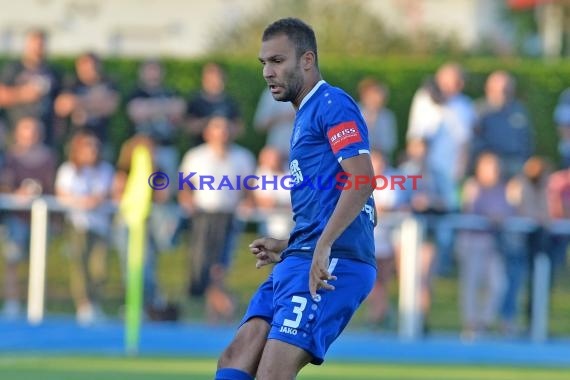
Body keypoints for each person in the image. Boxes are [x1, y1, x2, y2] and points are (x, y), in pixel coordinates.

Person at [216, 18, 376, 380]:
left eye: (277, 61)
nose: (267, 72)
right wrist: (290, 245)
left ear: (306, 60)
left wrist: (323, 245)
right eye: (263, 63)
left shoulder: (331, 103)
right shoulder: (302, 116)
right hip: (302, 255)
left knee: (272, 373)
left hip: (336, 261)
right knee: (235, 359)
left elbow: (363, 178)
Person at [0, 117, 57, 318]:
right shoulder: (10, 157)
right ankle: (12, 303)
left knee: (40, 263)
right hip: (17, 216)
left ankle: (38, 305)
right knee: (12, 260)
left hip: (42, 217)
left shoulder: (49, 157)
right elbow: (5, 184)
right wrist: (17, 193)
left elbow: (53, 186)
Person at [0, 29, 60, 147]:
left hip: (45, 136)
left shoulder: (52, 71)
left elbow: (59, 103)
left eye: (41, 45)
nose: (38, 49)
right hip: (16, 135)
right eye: (35, 45)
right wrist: (23, 94)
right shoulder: (13, 69)